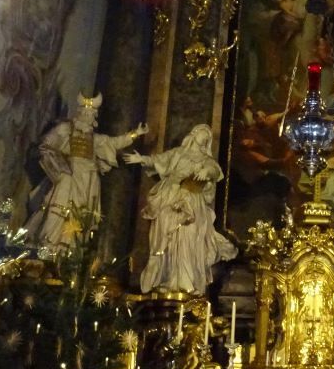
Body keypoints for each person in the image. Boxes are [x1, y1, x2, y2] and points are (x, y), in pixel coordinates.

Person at [125, 124, 237, 295]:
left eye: (208, 136)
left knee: (189, 238)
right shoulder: (178, 153)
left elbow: (215, 171)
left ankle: (186, 281)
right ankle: (167, 278)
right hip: (170, 197)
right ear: (194, 133)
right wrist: (141, 159)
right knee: (165, 239)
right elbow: (158, 160)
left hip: (192, 201)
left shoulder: (206, 160)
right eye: (203, 133)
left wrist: (207, 171)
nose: (205, 137)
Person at [27, 93, 147, 249]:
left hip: (89, 179)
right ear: (79, 113)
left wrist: (135, 134)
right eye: (85, 113)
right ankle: (48, 242)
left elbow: (114, 143)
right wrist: (52, 157)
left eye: (91, 114)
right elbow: (47, 143)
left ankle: (67, 248)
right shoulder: (66, 129)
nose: (87, 117)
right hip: (69, 174)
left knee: (80, 214)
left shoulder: (95, 139)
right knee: (59, 205)